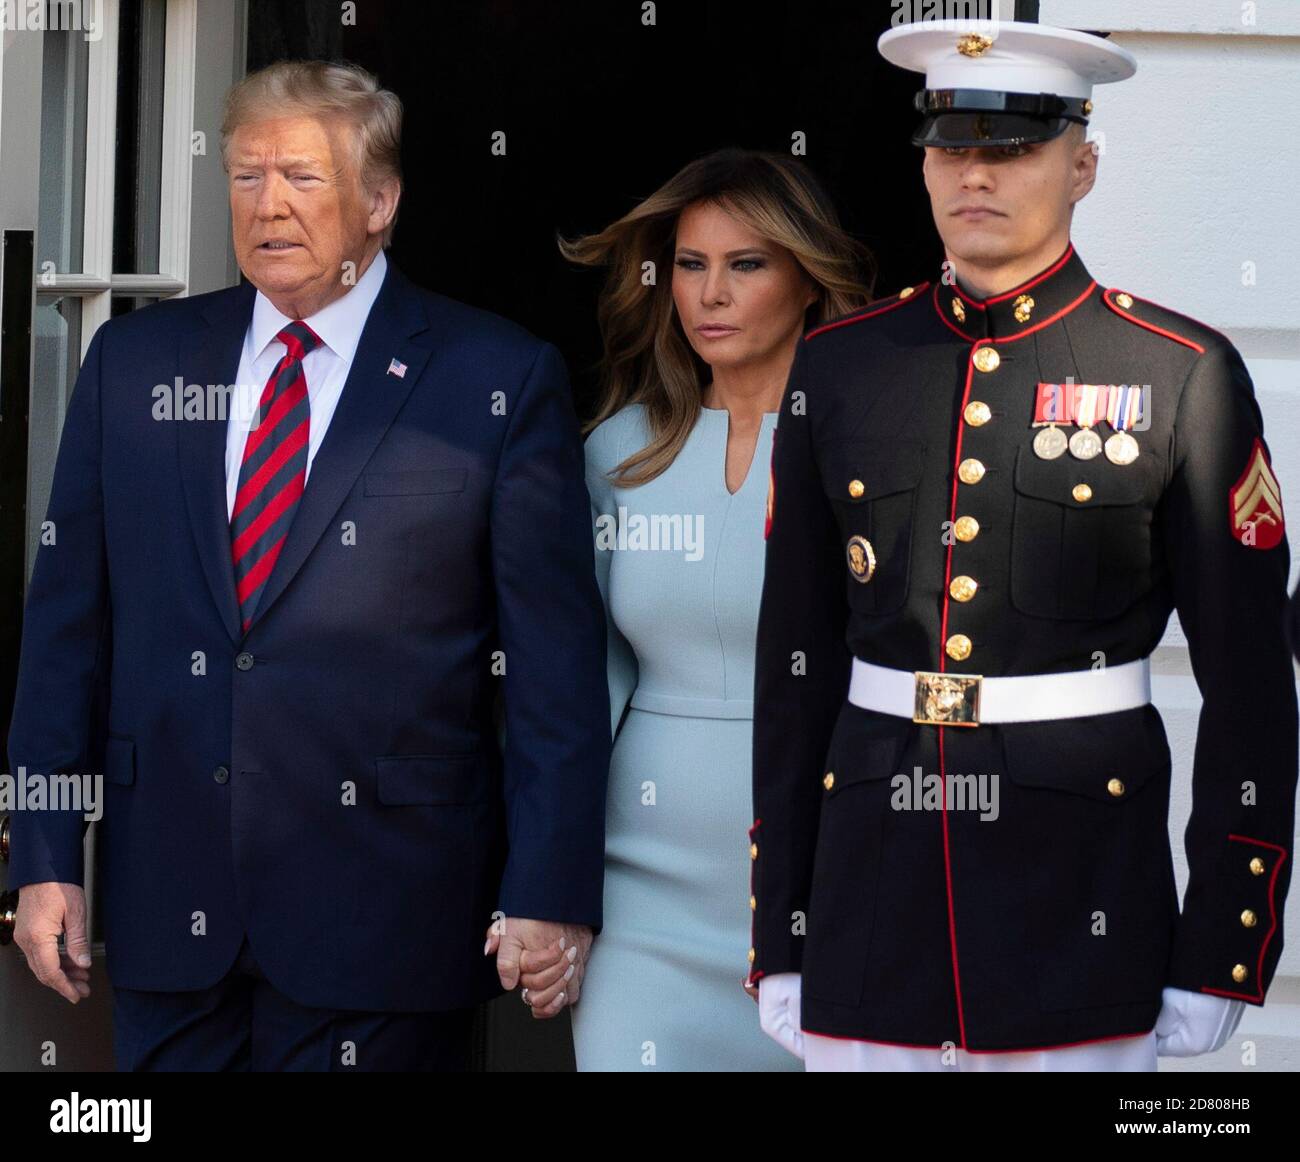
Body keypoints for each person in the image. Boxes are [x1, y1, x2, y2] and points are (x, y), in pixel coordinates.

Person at [7, 60, 610, 1071]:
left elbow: (552, 672)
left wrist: (549, 892)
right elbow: (66, 631)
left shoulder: (493, 378)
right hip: (172, 914)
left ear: (381, 201)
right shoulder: (136, 363)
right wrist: (42, 854)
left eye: (302, 178)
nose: (268, 207)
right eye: (245, 178)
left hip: (389, 922)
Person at [749, 20, 1297, 1072]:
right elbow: (795, 669)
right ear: (920, 161)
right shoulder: (842, 366)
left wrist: (1223, 944)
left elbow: (1248, 691)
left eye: (1014, 147)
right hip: (872, 910)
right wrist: (783, 925)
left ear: (1082, 163)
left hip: (1079, 913)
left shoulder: (1177, 373)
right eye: (951, 147)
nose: (976, 175)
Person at [534, 149, 871, 1069]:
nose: (709, 293)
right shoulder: (618, 451)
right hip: (640, 900)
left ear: (809, 278)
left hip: (830, 887)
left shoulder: (875, 452)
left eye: (745, 264)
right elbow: (577, 688)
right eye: (690, 265)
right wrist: (545, 883)